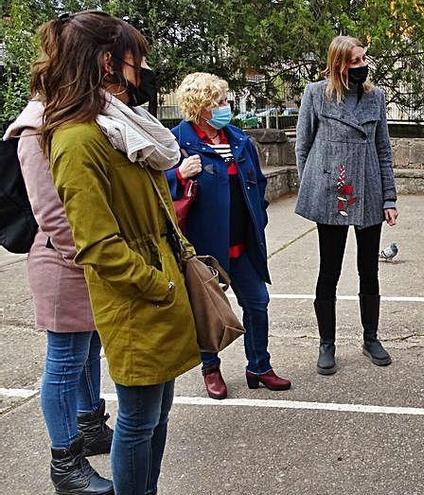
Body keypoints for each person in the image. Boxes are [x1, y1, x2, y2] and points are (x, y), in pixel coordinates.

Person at [33, 11, 201, 495]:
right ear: (107, 62)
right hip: (135, 298)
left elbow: (157, 209)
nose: (143, 67)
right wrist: (160, 284)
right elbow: (97, 245)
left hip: (160, 286)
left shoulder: (119, 125)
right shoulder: (78, 137)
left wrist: (182, 263)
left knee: (158, 414)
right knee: (138, 419)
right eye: (136, 58)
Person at [4, 102, 113, 494]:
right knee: (65, 361)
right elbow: (52, 214)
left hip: (86, 259)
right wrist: (101, 256)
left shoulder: (74, 117)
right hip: (64, 260)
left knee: (88, 350)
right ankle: (66, 465)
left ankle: (92, 427)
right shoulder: (35, 128)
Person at [166, 72, 291, 399]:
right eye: (218, 102)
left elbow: (258, 184)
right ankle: (211, 367)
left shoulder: (238, 139)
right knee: (207, 312)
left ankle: (259, 366)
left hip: (243, 242)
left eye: (225, 100)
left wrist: (259, 218)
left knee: (258, 303)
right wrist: (179, 173)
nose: (226, 106)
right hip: (204, 246)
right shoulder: (176, 142)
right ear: (200, 107)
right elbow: (155, 187)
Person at [295, 35, 398, 376]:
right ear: (337, 64)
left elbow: (383, 150)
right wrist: (316, 186)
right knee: (330, 270)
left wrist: (389, 197)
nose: (361, 67)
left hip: (367, 190)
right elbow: (303, 146)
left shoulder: (375, 97)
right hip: (332, 193)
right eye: (354, 62)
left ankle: (371, 338)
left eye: (363, 59)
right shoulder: (315, 94)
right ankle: (327, 344)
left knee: (369, 269)